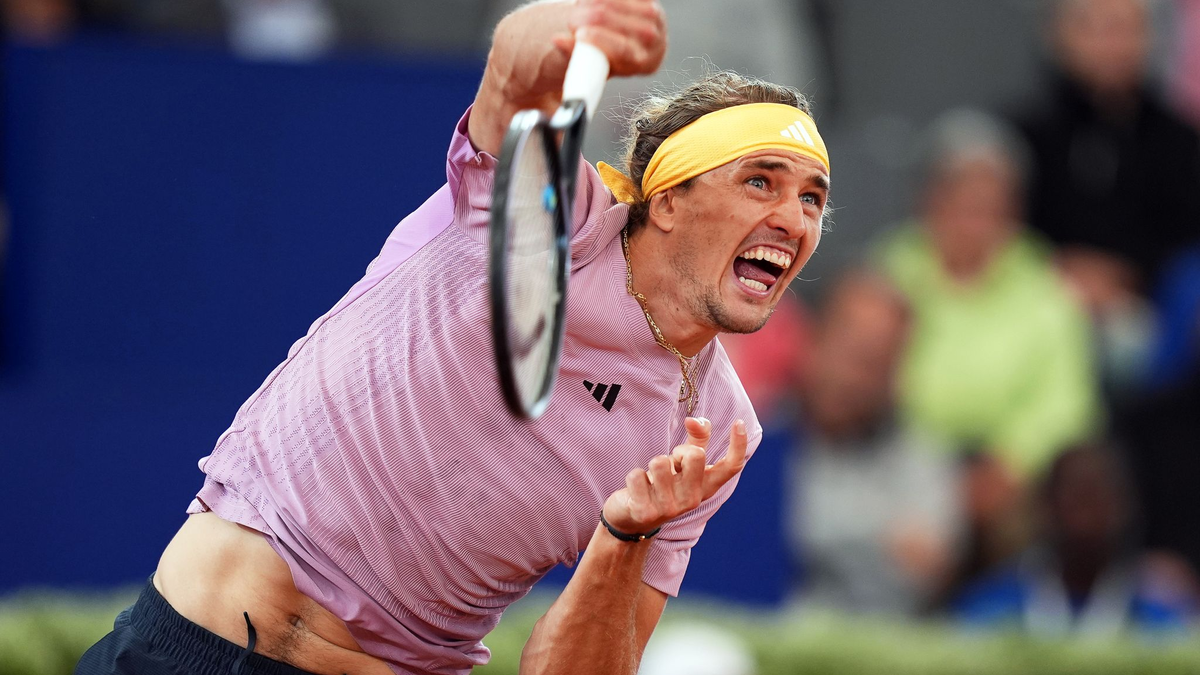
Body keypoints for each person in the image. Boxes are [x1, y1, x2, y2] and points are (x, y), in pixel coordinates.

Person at [75, 1, 833, 674]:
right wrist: (562, 27)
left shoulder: (715, 431)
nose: (794, 218)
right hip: (182, 643)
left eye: (812, 198)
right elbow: (512, 79)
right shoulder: (554, 219)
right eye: (761, 181)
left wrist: (625, 537)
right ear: (667, 200)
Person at [872, 108, 1100, 573]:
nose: (976, 225)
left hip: (1010, 475)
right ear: (930, 202)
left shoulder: (1044, 286)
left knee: (1023, 524)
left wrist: (1009, 464)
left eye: (993, 210)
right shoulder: (889, 274)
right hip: (901, 461)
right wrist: (929, 477)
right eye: (963, 206)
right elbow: (867, 376)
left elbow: (1067, 402)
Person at [787, 270, 962, 615]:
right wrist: (880, 537)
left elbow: (923, 570)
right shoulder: (750, 433)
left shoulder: (923, 460)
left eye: (877, 364)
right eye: (850, 353)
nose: (854, 379)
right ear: (815, 342)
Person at [953, 444, 1197, 636]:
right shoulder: (988, 610)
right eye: (1076, 500)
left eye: (1099, 500)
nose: (1086, 519)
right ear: (1046, 508)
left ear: (1126, 509)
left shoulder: (1159, 622)